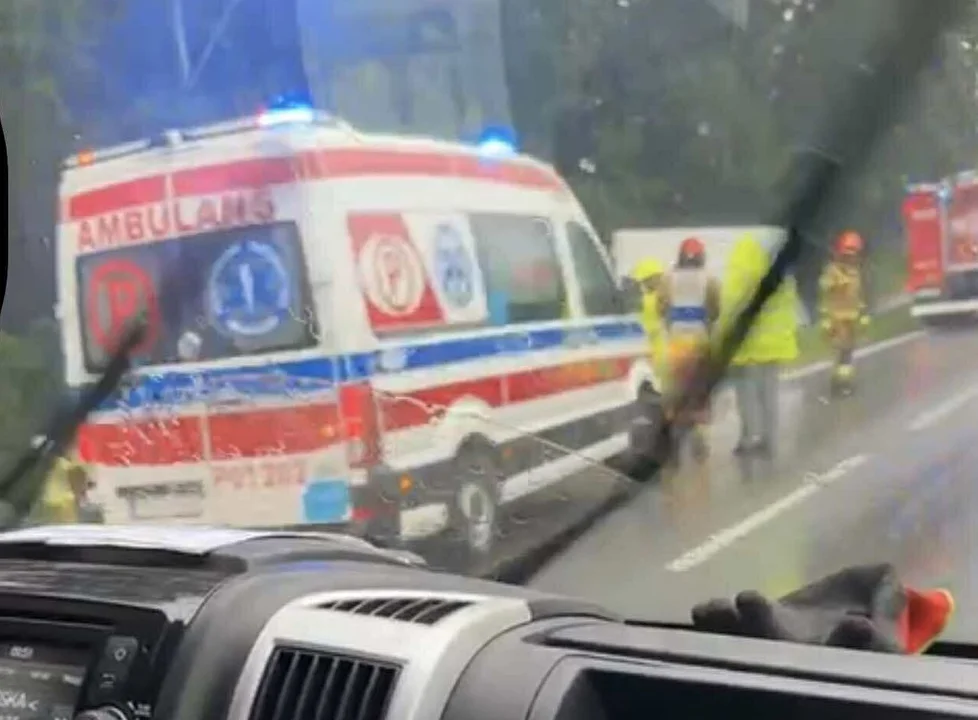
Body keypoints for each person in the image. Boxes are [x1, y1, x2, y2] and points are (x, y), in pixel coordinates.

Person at [720, 233, 800, 457]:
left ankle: (748, 438)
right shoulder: (780, 277)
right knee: (769, 394)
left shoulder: (739, 276)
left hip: (747, 347)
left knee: (746, 394)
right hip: (774, 345)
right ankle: (769, 438)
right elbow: (789, 307)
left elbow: (730, 308)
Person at [658, 237, 720, 462]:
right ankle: (699, 434)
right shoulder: (709, 279)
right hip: (700, 342)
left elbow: (661, 307)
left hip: (676, 342)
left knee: (675, 389)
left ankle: (673, 435)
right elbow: (715, 309)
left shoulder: (668, 279)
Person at [819, 230, 870, 398]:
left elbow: (857, 297)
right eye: (849, 254)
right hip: (837, 320)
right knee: (843, 353)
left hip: (851, 320)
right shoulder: (833, 272)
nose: (852, 258)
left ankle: (842, 383)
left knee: (847, 354)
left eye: (855, 254)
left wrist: (863, 315)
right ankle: (840, 385)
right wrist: (826, 321)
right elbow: (825, 292)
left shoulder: (855, 272)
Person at [632, 257, 668, 379]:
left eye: (644, 280)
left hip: (658, 350)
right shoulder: (648, 298)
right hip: (653, 349)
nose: (642, 284)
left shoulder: (655, 298)